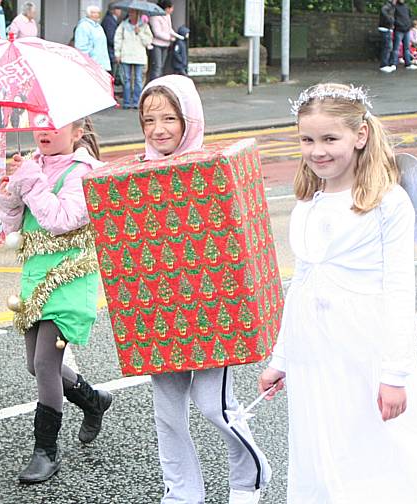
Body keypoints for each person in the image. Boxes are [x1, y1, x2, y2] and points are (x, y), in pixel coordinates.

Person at [258, 83, 417, 503]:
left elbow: (400, 290)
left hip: (367, 349)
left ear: (360, 135)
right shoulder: (307, 202)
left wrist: (394, 374)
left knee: (385, 452)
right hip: (316, 354)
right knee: (326, 447)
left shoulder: (388, 202)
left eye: (330, 139)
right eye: (307, 140)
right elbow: (301, 284)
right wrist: (281, 357)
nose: (318, 151)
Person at [138, 75, 270, 504]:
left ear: (189, 118)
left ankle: (248, 476)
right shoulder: (133, 177)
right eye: (149, 119)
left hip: (215, 313)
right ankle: (181, 493)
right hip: (161, 310)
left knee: (215, 406)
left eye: (169, 118)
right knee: (167, 415)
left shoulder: (214, 170)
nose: (159, 129)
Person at [0, 118, 113, 484]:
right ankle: (93, 400)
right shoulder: (32, 163)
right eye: (39, 123)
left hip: (71, 283)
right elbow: (14, 225)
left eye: (55, 125)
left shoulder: (85, 172)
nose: (44, 131)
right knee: (35, 364)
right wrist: (7, 195)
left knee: (45, 363)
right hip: (36, 280)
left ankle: (46, 451)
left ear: (77, 132)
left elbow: (62, 219)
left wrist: (28, 181)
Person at [114, 9, 152, 109]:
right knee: (127, 80)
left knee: (138, 80)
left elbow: (148, 41)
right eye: (130, 13)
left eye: (133, 13)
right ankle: (126, 102)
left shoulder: (144, 26)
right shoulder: (123, 25)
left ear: (137, 14)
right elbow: (117, 39)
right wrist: (117, 53)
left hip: (139, 56)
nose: (131, 15)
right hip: (126, 55)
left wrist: (140, 33)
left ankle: (136, 102)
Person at [148, 0, 183, 81]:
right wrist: (169, 38)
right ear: (166, 8)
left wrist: (178, 36)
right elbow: (157, 32)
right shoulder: (155, 17)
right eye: (171, 8)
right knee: (157, 66)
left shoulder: (167, 16)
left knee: (162, 66)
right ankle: (154, 85)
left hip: (166, 44)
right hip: (157, 44)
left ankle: (159, 84)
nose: (172, 10)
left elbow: (169, 29)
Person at [74, 5, 110, 72]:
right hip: (90, 64)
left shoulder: (98, 26)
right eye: (93, 13)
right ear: (88, 14)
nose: (96, 15)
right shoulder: (83, 26)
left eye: (98, 13)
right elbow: (81, 47)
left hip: (101, 63)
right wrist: (87, 63)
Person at [391, 0, 416, 70]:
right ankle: (393, 64)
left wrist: (409, 25)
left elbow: (410, 16)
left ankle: (408, 64)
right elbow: (392, 17)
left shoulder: (407, 6)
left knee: (407, 48)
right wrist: (398, 24)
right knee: (396, 48)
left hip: (407, 30)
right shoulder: (395, 7)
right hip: (398, 30)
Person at [101, 2, 121, 73]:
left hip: (110, 51)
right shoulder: (109, 20)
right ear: (113, 10)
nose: (120, 11)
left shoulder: (112, 19)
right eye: (119, 9)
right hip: (110, 51)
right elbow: (111, 38)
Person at [377, 0, 396, 73]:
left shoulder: (391, 7)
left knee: (388, 47)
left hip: (388, 28)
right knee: (387, 47)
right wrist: (391, 20)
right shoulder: (388, 6)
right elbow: (383, 11)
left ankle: (386, 64)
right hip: (385, 29)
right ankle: (383, 65)